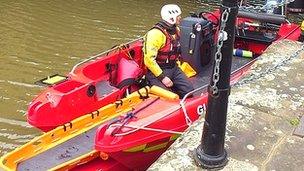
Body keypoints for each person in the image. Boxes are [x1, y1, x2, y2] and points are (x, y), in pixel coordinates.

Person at [143, 4, 194, 98]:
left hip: (173, 68)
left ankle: (174, 87)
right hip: (157, 72)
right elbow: (149, 60)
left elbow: (175, 51)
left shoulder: (176, 30)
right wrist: (162, 78)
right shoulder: (155, 34)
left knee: (189, 92)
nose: (180, 18)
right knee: (168, 98)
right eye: (178, 16)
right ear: (172, 18)